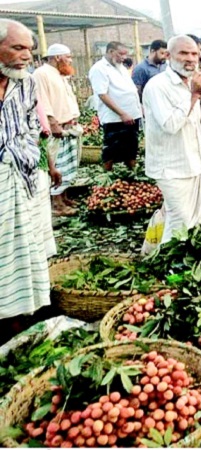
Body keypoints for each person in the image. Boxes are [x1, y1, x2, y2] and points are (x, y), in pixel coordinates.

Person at [0, 18, 51, 336]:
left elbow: (33, 123)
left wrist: (30, 157)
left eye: (29, 49)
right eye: (17, 47)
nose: (26, 56)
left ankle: (24, 313)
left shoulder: (26, 82)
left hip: (25, 179)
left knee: (27, 251)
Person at [142, 36, 201, 244]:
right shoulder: (157, 86)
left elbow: (193, 123)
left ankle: (160, 256)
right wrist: (194, 96)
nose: (190, 59)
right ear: (169, 56)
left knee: (195, 218)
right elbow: (171, 125)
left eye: (194, 54)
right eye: (183, 53)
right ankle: (170, 266)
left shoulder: (192, 82)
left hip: (193, 163)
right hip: (171, 166)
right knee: (181, 221)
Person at [33, 43, 81, 217]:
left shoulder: (61, 74)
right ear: (57, 57)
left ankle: (65, 197)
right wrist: (52, 123)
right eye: (67, 57)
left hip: (68, 125)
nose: (69, 60)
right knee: (57, 165)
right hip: (56, 127)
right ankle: (57, 204)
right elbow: (41, 100)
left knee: (68, 166)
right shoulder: (41, 73)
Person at [88, 41, 142, 171]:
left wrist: (138, 106)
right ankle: (108, 176)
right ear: (111, 51)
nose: (124, 57)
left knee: (131, 147)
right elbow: (102, 94)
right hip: (115, 118)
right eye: (121, 54)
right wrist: (122, 113)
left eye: (125, 54)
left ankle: (131, 173)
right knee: (111, 149)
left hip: (132, 115)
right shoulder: (99, 68)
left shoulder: (121, 67)